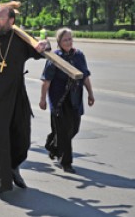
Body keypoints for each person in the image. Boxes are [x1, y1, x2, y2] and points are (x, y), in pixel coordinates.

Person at [0, 6, 47, 193]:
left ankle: (13, 166)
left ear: (11, 20)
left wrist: (45, 44)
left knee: (22, 137)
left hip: (16, 95)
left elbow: (39, 52)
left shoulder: (20, 40)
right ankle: (0, 181)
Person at [39, 27, 95, 173]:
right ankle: (66, 163)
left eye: (70, 39)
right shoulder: (55, 57)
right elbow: (46, 81)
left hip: (75, 97)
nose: (68, 42)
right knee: (63, 131)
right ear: (59, 42)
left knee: (74, 128)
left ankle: (53, 145)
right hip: (59, 99)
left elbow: (85, 76)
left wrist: (90, 93)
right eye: (65, 40)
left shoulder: (79, 55)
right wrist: (43, 100)